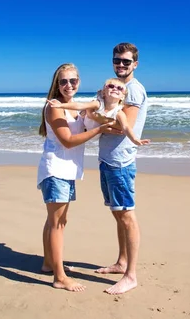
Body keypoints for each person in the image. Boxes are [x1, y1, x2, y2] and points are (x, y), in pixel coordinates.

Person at [37, 63, 115, 292]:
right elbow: (69, 140)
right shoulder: (55, 108)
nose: (68, 85)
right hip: (55, 170)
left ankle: (48, 263)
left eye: (73, 81)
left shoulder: (74, 108)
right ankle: (59, 278)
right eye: (63, 81)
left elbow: (93, 115)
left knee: (56, 221)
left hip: (67, 170)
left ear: (79, 82)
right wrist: (99, 131)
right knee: (57, 223)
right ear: (57, 83)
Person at [87, 42, 148, 295]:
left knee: (126, 215)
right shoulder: (116, 86)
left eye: (126, 61)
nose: (120, 65)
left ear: (135, 64)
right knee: (117, 212)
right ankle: (122, 262)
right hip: (108, 159)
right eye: (117, 60)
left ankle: (131, 275)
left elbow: (124, 127)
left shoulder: (131, 90)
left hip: (120, 162)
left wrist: (96, 119)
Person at [48, 78, 150, 147]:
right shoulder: (98, 104)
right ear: (104, 92)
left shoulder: (119, 112)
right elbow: (80, 105)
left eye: (120, 88)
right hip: (86, 130)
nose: (115, 88)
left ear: (123, 96)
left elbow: (126, 127)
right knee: (83, 112)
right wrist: (61, 106)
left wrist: (135, 140)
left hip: (96, 134)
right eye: (111, 86)